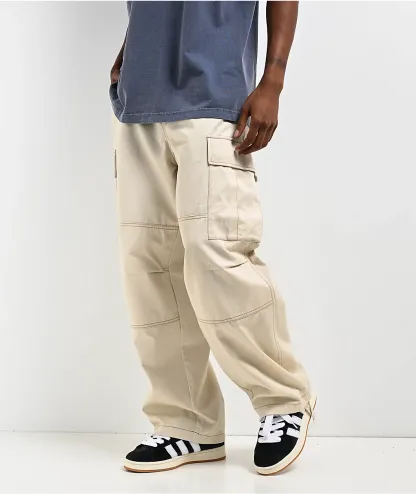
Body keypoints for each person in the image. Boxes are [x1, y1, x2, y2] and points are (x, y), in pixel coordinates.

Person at [110, 0, 315, 476]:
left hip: (215, 100)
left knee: (217, 254)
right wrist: (129, 48)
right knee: (150, 271)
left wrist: (273, 80)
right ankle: (187, 422)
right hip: (138, 102)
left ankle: (283, 398)